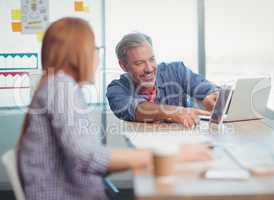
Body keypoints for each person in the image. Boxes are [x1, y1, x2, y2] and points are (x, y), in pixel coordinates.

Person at [17, 17, 212, 200]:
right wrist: (170, 155)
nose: (97, 57)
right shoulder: (61, 88)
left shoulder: (60, 86)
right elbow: (88, 158)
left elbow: (86, 155)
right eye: (94, 49)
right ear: (78, 54)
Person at [106, 32, 218, 128]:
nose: (149, 69)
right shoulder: (116, 89)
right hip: (143, 149)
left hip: (183, 144)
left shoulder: (176, 71)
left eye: (152, 59)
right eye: (139, 63)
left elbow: (206, 89)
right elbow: (135, 109)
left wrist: (210, 95)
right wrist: (173, 112)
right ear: (124, 65)